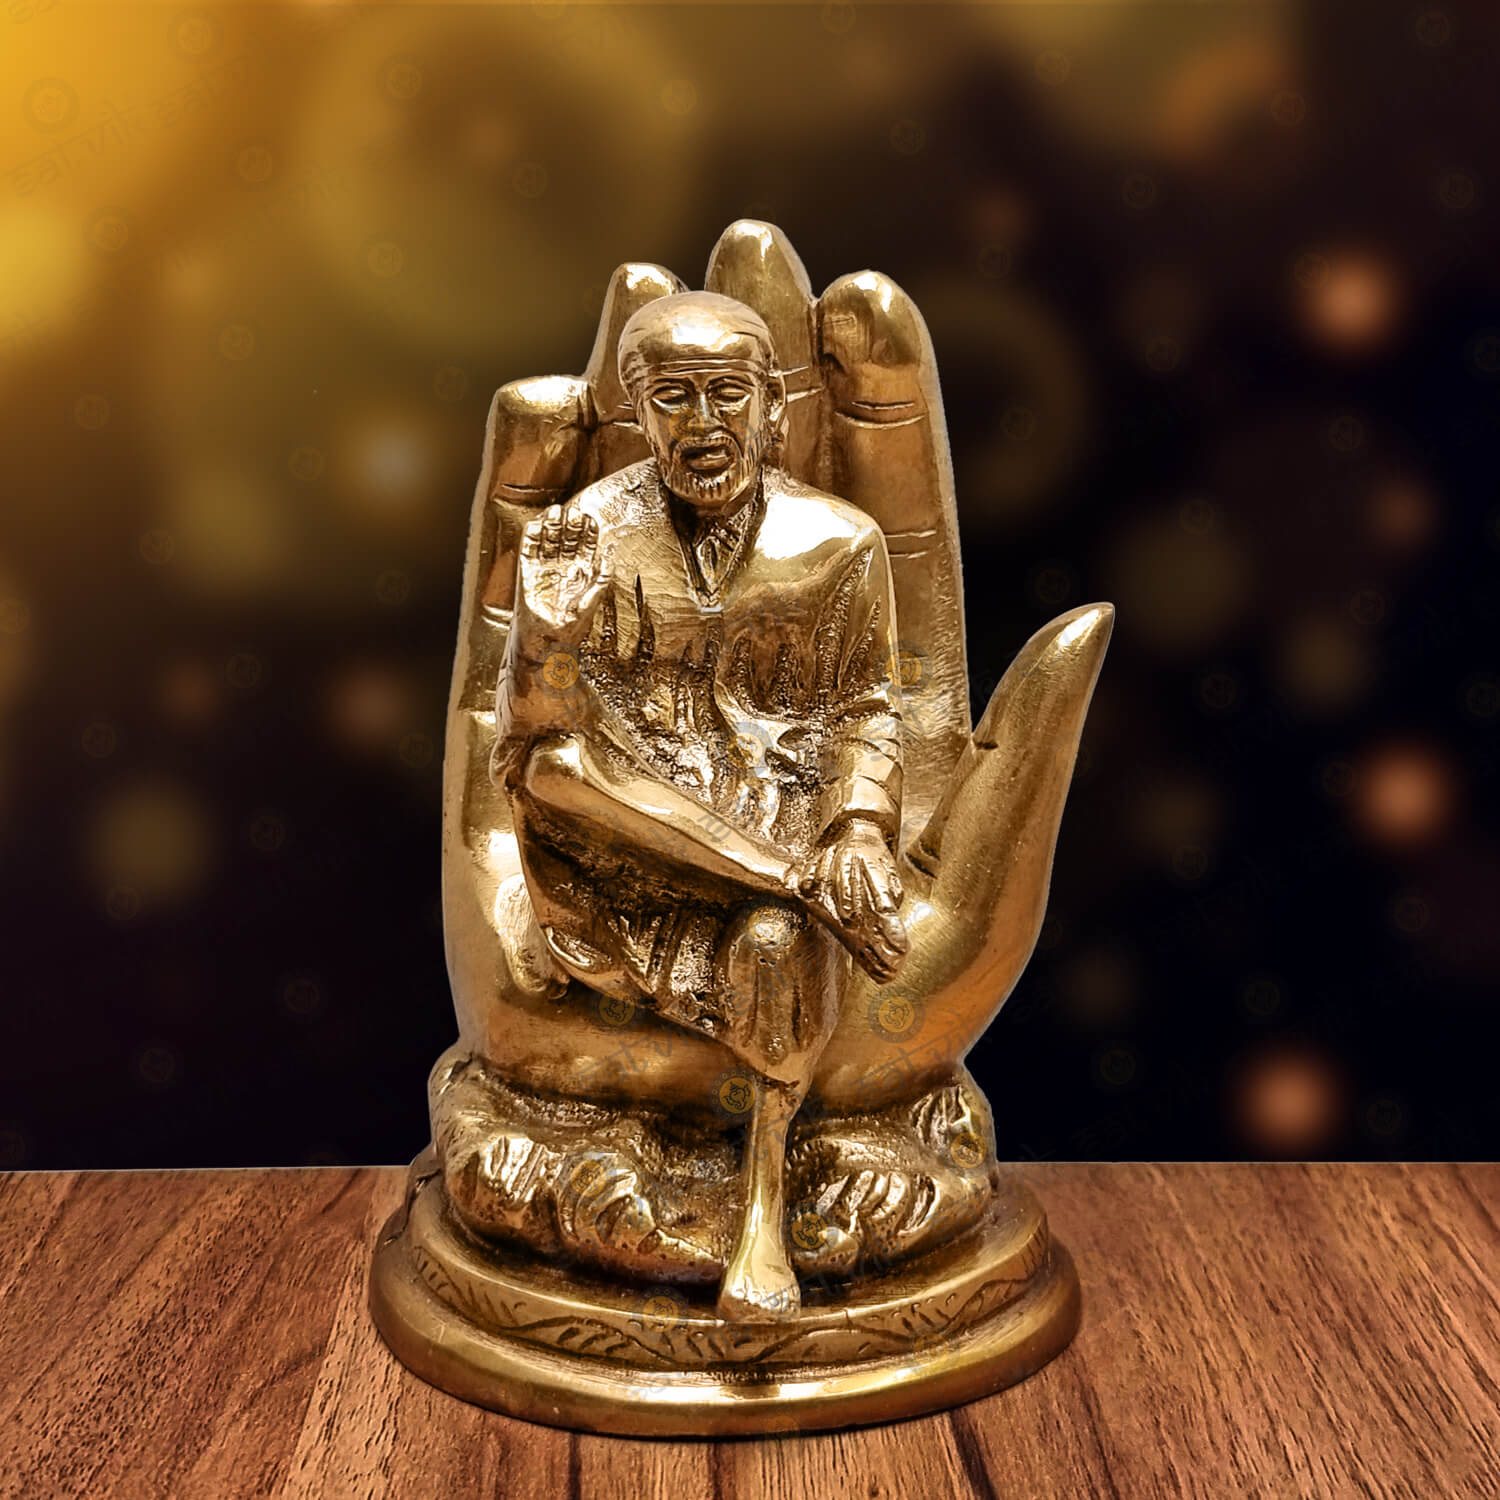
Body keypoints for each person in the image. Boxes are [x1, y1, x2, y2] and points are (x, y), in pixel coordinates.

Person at [491, 291, 911, 1317]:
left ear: (775, 410)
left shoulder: (841, 543)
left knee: (777, 944)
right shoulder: (581, 541)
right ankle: (718, 1171)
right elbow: (544, 762)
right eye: (673, 397)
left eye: (729, 393)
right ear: (638, 413)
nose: (704, 424)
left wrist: (859, 828)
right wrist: (545, 637)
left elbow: (867, 707)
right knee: (779, 916)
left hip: (784, 827)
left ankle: (762, 1199)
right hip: (624, 860)